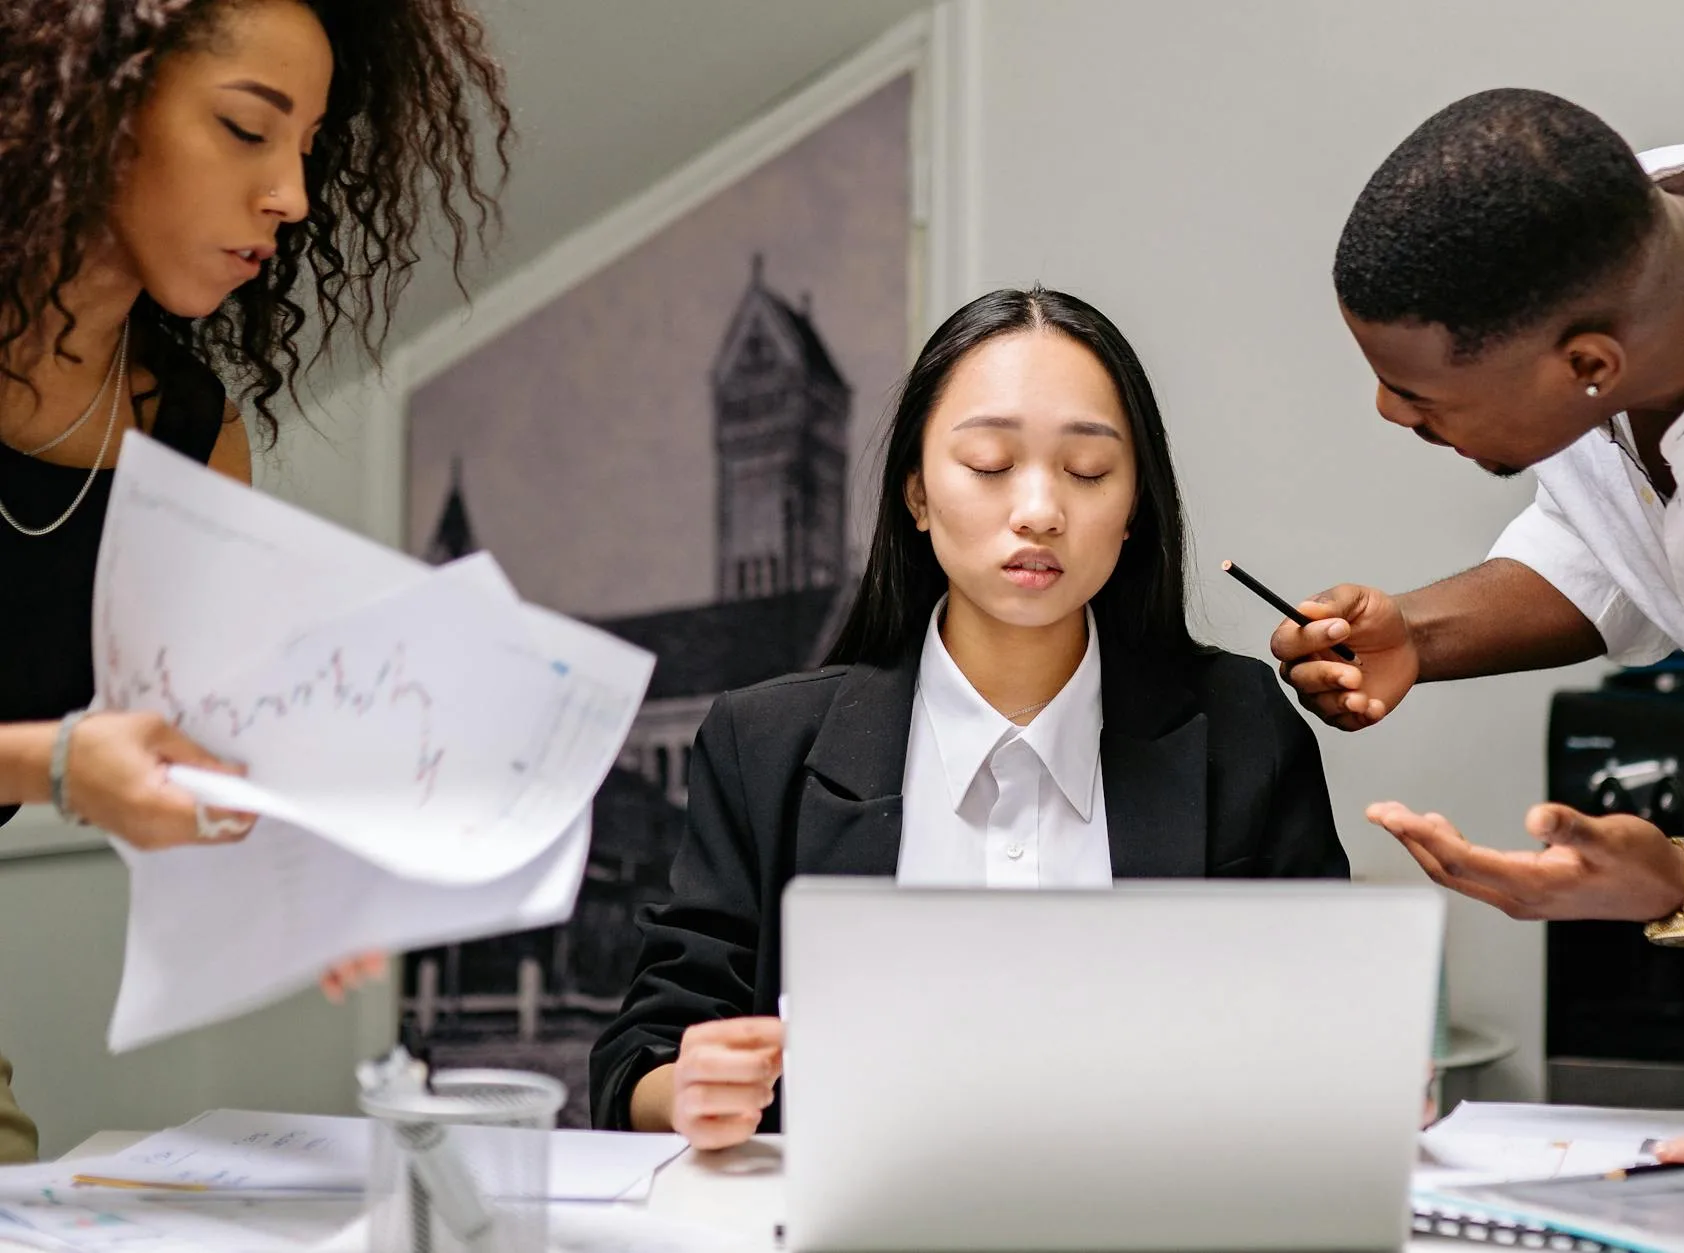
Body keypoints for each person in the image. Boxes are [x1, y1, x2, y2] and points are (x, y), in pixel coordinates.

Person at [1267, 86, 1684, 1189]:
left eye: (1414, 391)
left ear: (1589, 365)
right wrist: (1421, 631)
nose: (1385, 411)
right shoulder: (1594, 249)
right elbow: (1624, 542)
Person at [591, 286, 1349, 1150]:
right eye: (989, 463)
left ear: (1135, 502)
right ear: (916, 493)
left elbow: (1328, 1029)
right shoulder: (763, 745)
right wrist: (688, 1087)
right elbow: (641, 1051)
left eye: (1089, 471)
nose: (1039, 510)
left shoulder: (1242, 727)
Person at [0, 0, 510, 1160]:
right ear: (95, 109)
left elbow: (198, 746)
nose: (293, 194)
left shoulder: (192, 432)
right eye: (246, 129)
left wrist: (310, 873)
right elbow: (84, 759)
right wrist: (59, 760)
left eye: (309, 149)